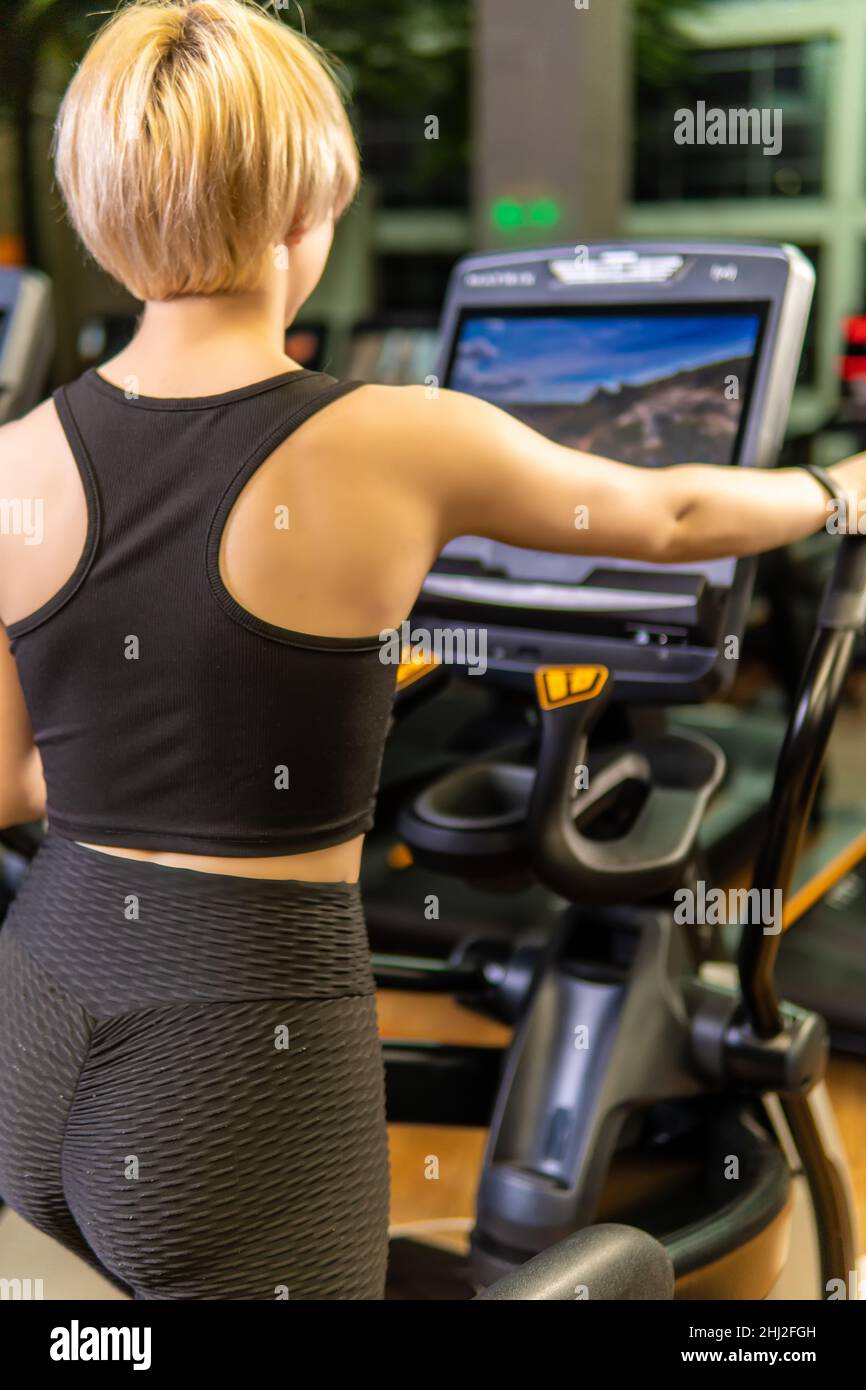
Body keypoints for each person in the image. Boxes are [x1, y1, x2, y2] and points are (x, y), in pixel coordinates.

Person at [0, 0, 863, 1301]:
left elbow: (13, 788)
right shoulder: (396, 437)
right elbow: (670, 513)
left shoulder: (13, 461)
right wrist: (841, 492)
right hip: (239, 1044)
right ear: (303, 207)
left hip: (36, 1020)